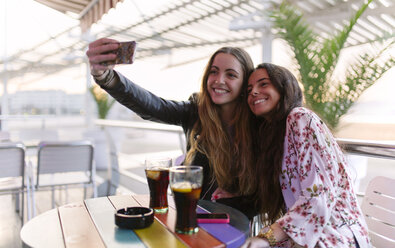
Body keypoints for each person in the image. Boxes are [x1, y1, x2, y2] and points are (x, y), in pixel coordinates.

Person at [86, 38, 258, 218]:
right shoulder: (196, 112)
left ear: (245, 82)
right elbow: (153, 106)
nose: (219, 80)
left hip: (236, 223)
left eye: (231, 75)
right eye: (213, 72)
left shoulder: (257, 123)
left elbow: (271, 186)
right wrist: (106, 77)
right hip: (193, 218)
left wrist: (244, 197)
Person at [241, 63, 371, 247]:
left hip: (338, 236)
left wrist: (267, 237)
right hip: (310, 236)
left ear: (283, 87)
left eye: (263, 84)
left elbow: (318, 195)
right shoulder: (273, 136)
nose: (253, 92)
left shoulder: (300, 117)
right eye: (249, 89)